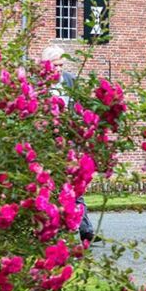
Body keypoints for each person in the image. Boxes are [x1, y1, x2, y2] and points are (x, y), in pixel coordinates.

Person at [40, 45, 95, 244]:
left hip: (70, 142)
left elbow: (81, 107)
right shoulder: (39, 85)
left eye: (61, 64)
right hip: (47, 143)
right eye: (55, 65)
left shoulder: (71, 81)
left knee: (74, 186)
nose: (59, 69)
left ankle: (85, 229)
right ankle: (55, 230)